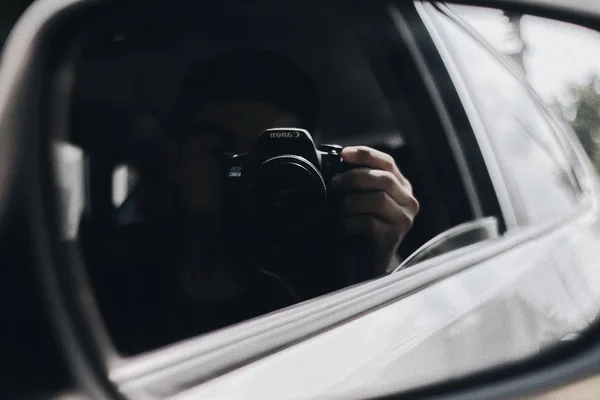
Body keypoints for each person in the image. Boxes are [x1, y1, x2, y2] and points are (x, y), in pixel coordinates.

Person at [109, 50, 419, 352]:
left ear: (314, 172)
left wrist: (367, 276)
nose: (247, 175)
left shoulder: (326, 268)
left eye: (271, 161)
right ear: (174, 159)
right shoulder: (117, 271)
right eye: (219, 151)